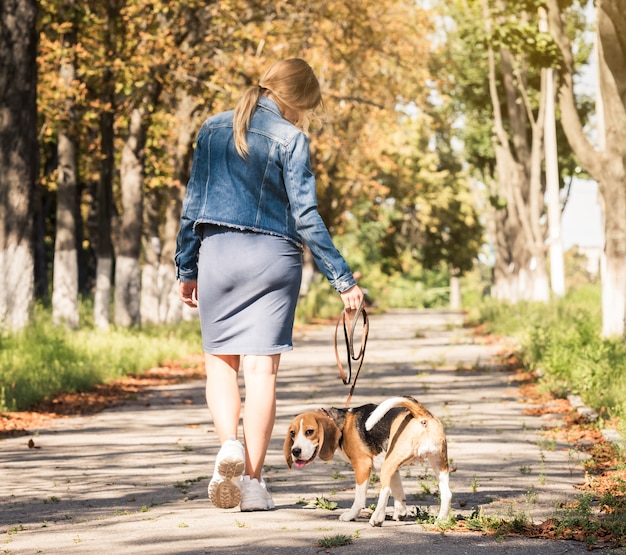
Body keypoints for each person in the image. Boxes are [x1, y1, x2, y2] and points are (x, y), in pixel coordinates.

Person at [174, 58, 363, 512]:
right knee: (262, 374)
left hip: (217, 253)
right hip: (273, 259)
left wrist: (186, 267)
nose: (303, 117)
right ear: (292, 99)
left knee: (220, 366)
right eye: (305, 108)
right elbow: (306, 216)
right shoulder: (291, 137)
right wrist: (343, 279)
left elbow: (192, 203)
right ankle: (254, 486)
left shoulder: (212, 128)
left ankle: (229, 446)